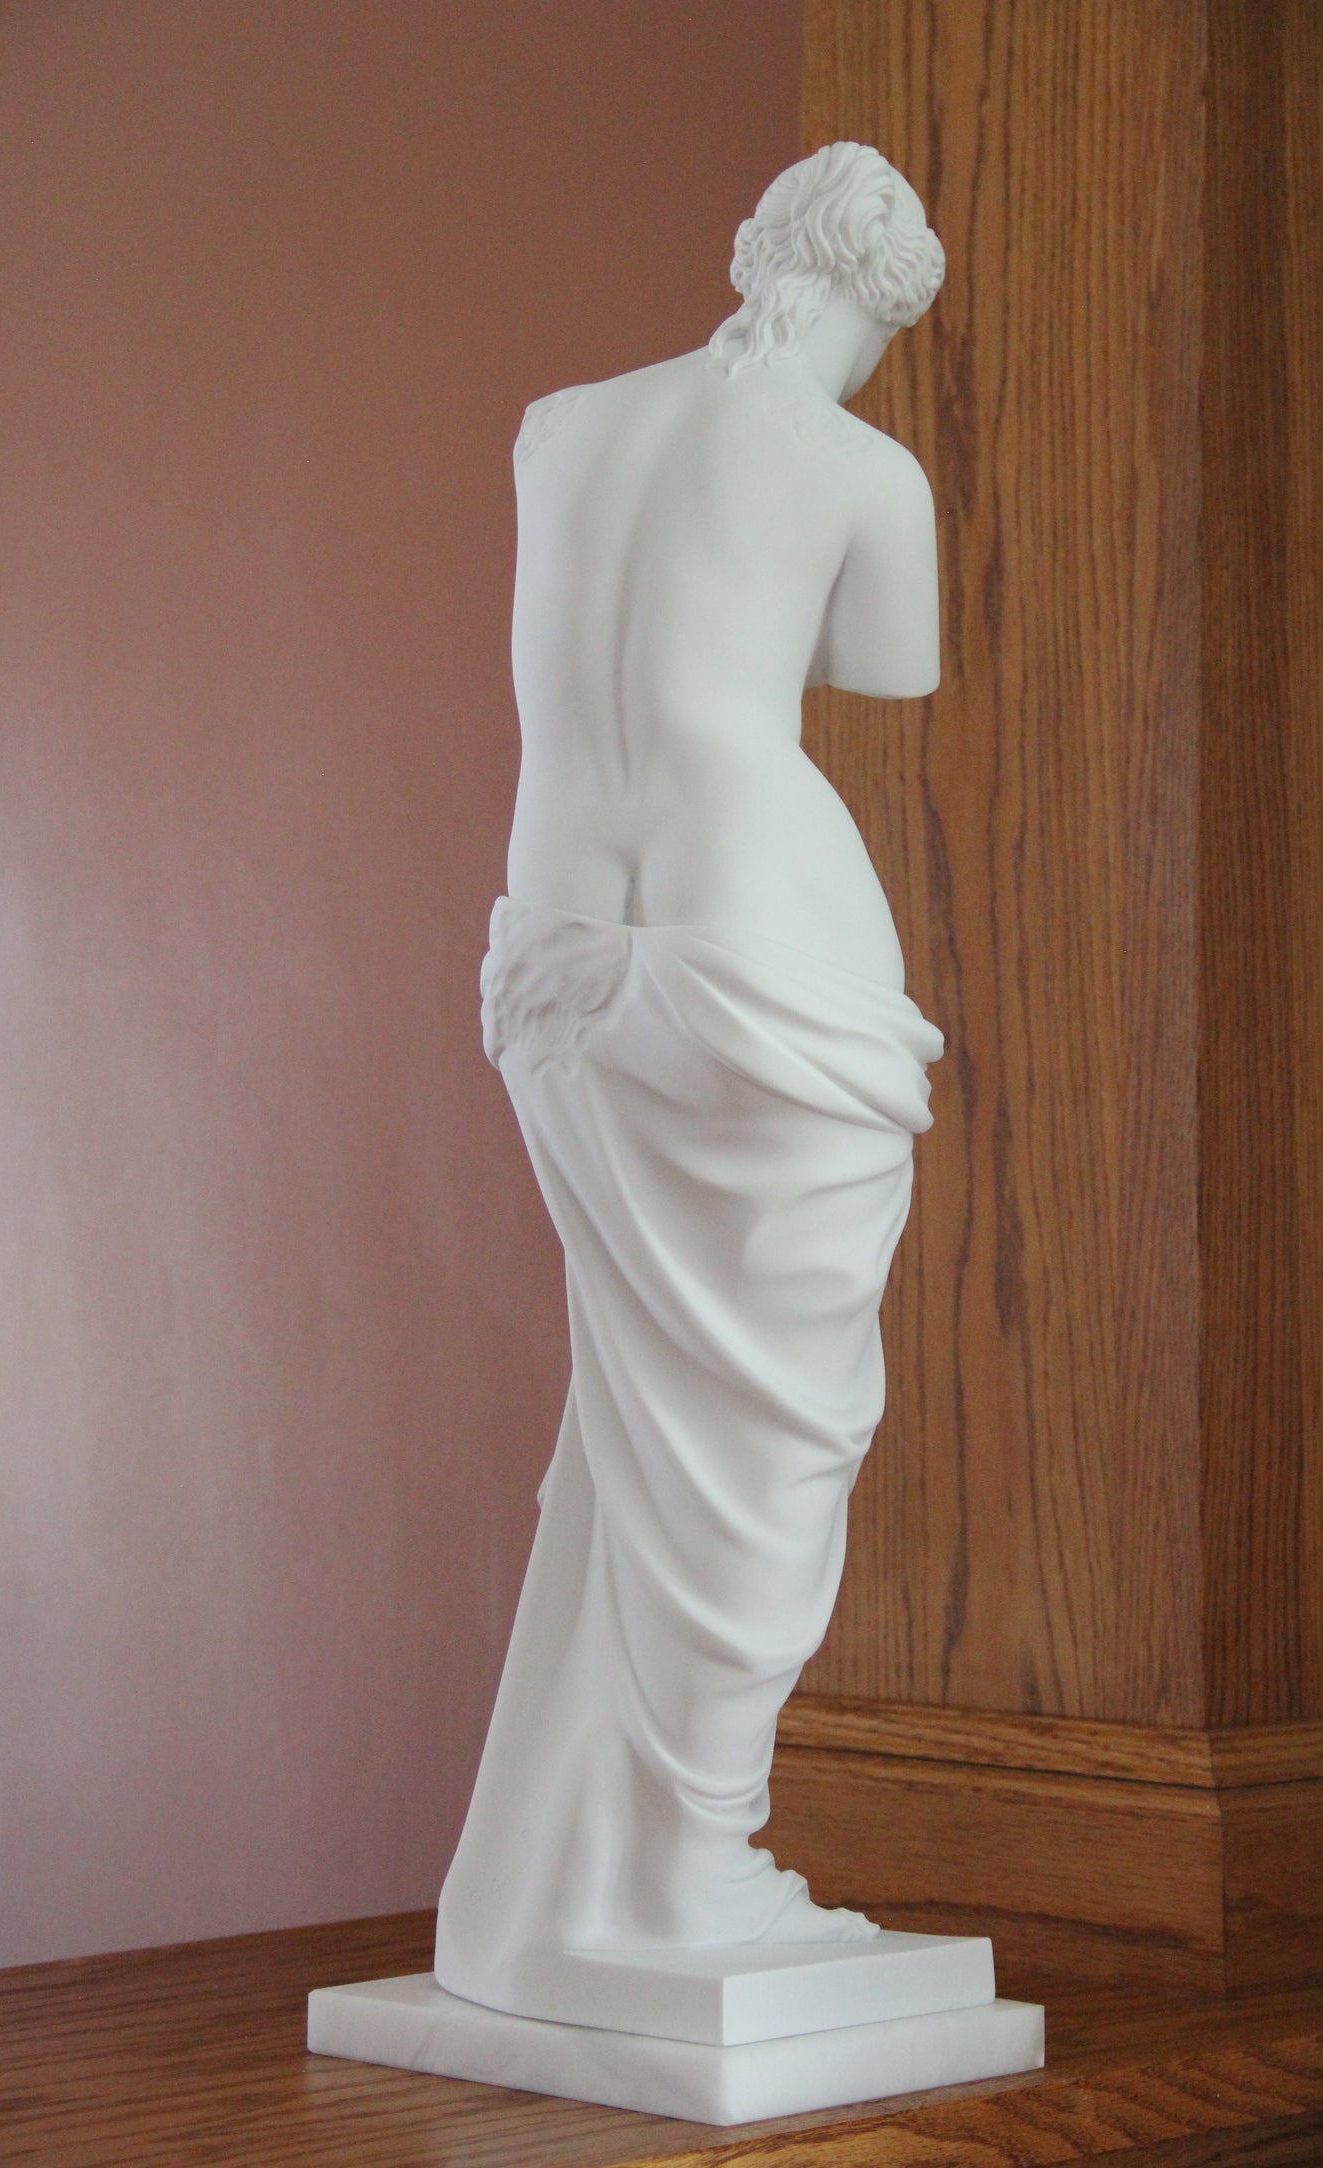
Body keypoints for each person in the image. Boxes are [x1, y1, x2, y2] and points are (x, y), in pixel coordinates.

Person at [435, 143, 948, 2031]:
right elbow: (884, 666)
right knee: (770, 1425)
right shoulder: (860, 468)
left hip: (554, 946)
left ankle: (605, 1871)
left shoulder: (559, 428)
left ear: (755, 258)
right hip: (766, 952)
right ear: (877, 307)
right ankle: (691, 1850)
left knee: (651, 1415)